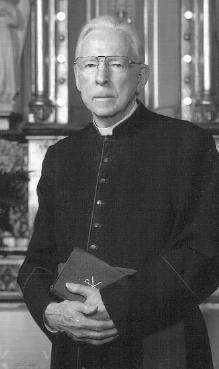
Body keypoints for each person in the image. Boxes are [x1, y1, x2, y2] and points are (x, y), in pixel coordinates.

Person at [18, 15, 219, 369]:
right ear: (77, 77)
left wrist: (119, 304)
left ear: (141, 75)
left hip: (163, 344)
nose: (101, 77)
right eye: (90, 64)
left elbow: (205, 251)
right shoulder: (61, 156)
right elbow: (37, 261)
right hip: (75, 349)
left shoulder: (189, 144)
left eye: (116, 63)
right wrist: (51, 311)